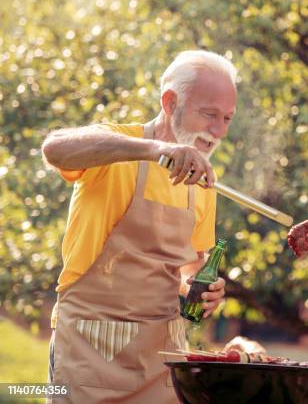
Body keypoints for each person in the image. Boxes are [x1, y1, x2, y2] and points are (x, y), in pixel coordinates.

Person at [41, 50, 237, 403]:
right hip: (89, 353)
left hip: (160, 361)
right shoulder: (118, 148)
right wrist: (154, 150)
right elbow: (55, 149)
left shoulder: (203, 181)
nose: (218, 130)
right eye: (209, 114)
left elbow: (192, 265)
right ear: (169, 102)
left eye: (227, 118)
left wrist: (202, 288)